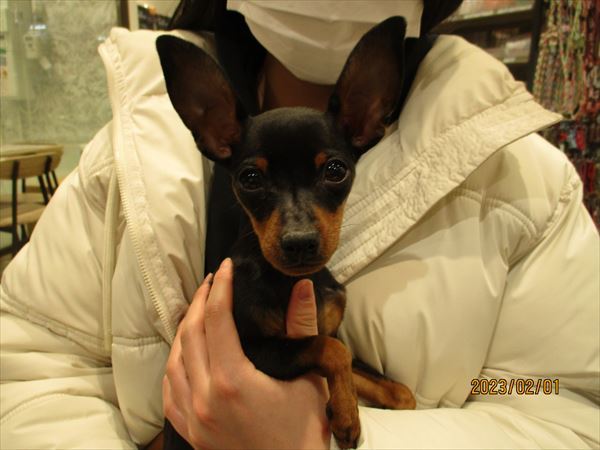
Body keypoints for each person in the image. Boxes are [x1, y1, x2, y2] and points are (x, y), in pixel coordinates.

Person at [1, 0, 598, 448]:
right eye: (254, 182)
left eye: (332, 174)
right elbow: (29, 378)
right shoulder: (120, 157)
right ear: (211, 132)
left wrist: (312, 438)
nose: (298, 231)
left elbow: (555, 398)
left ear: (370, 115)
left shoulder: (528, 182)